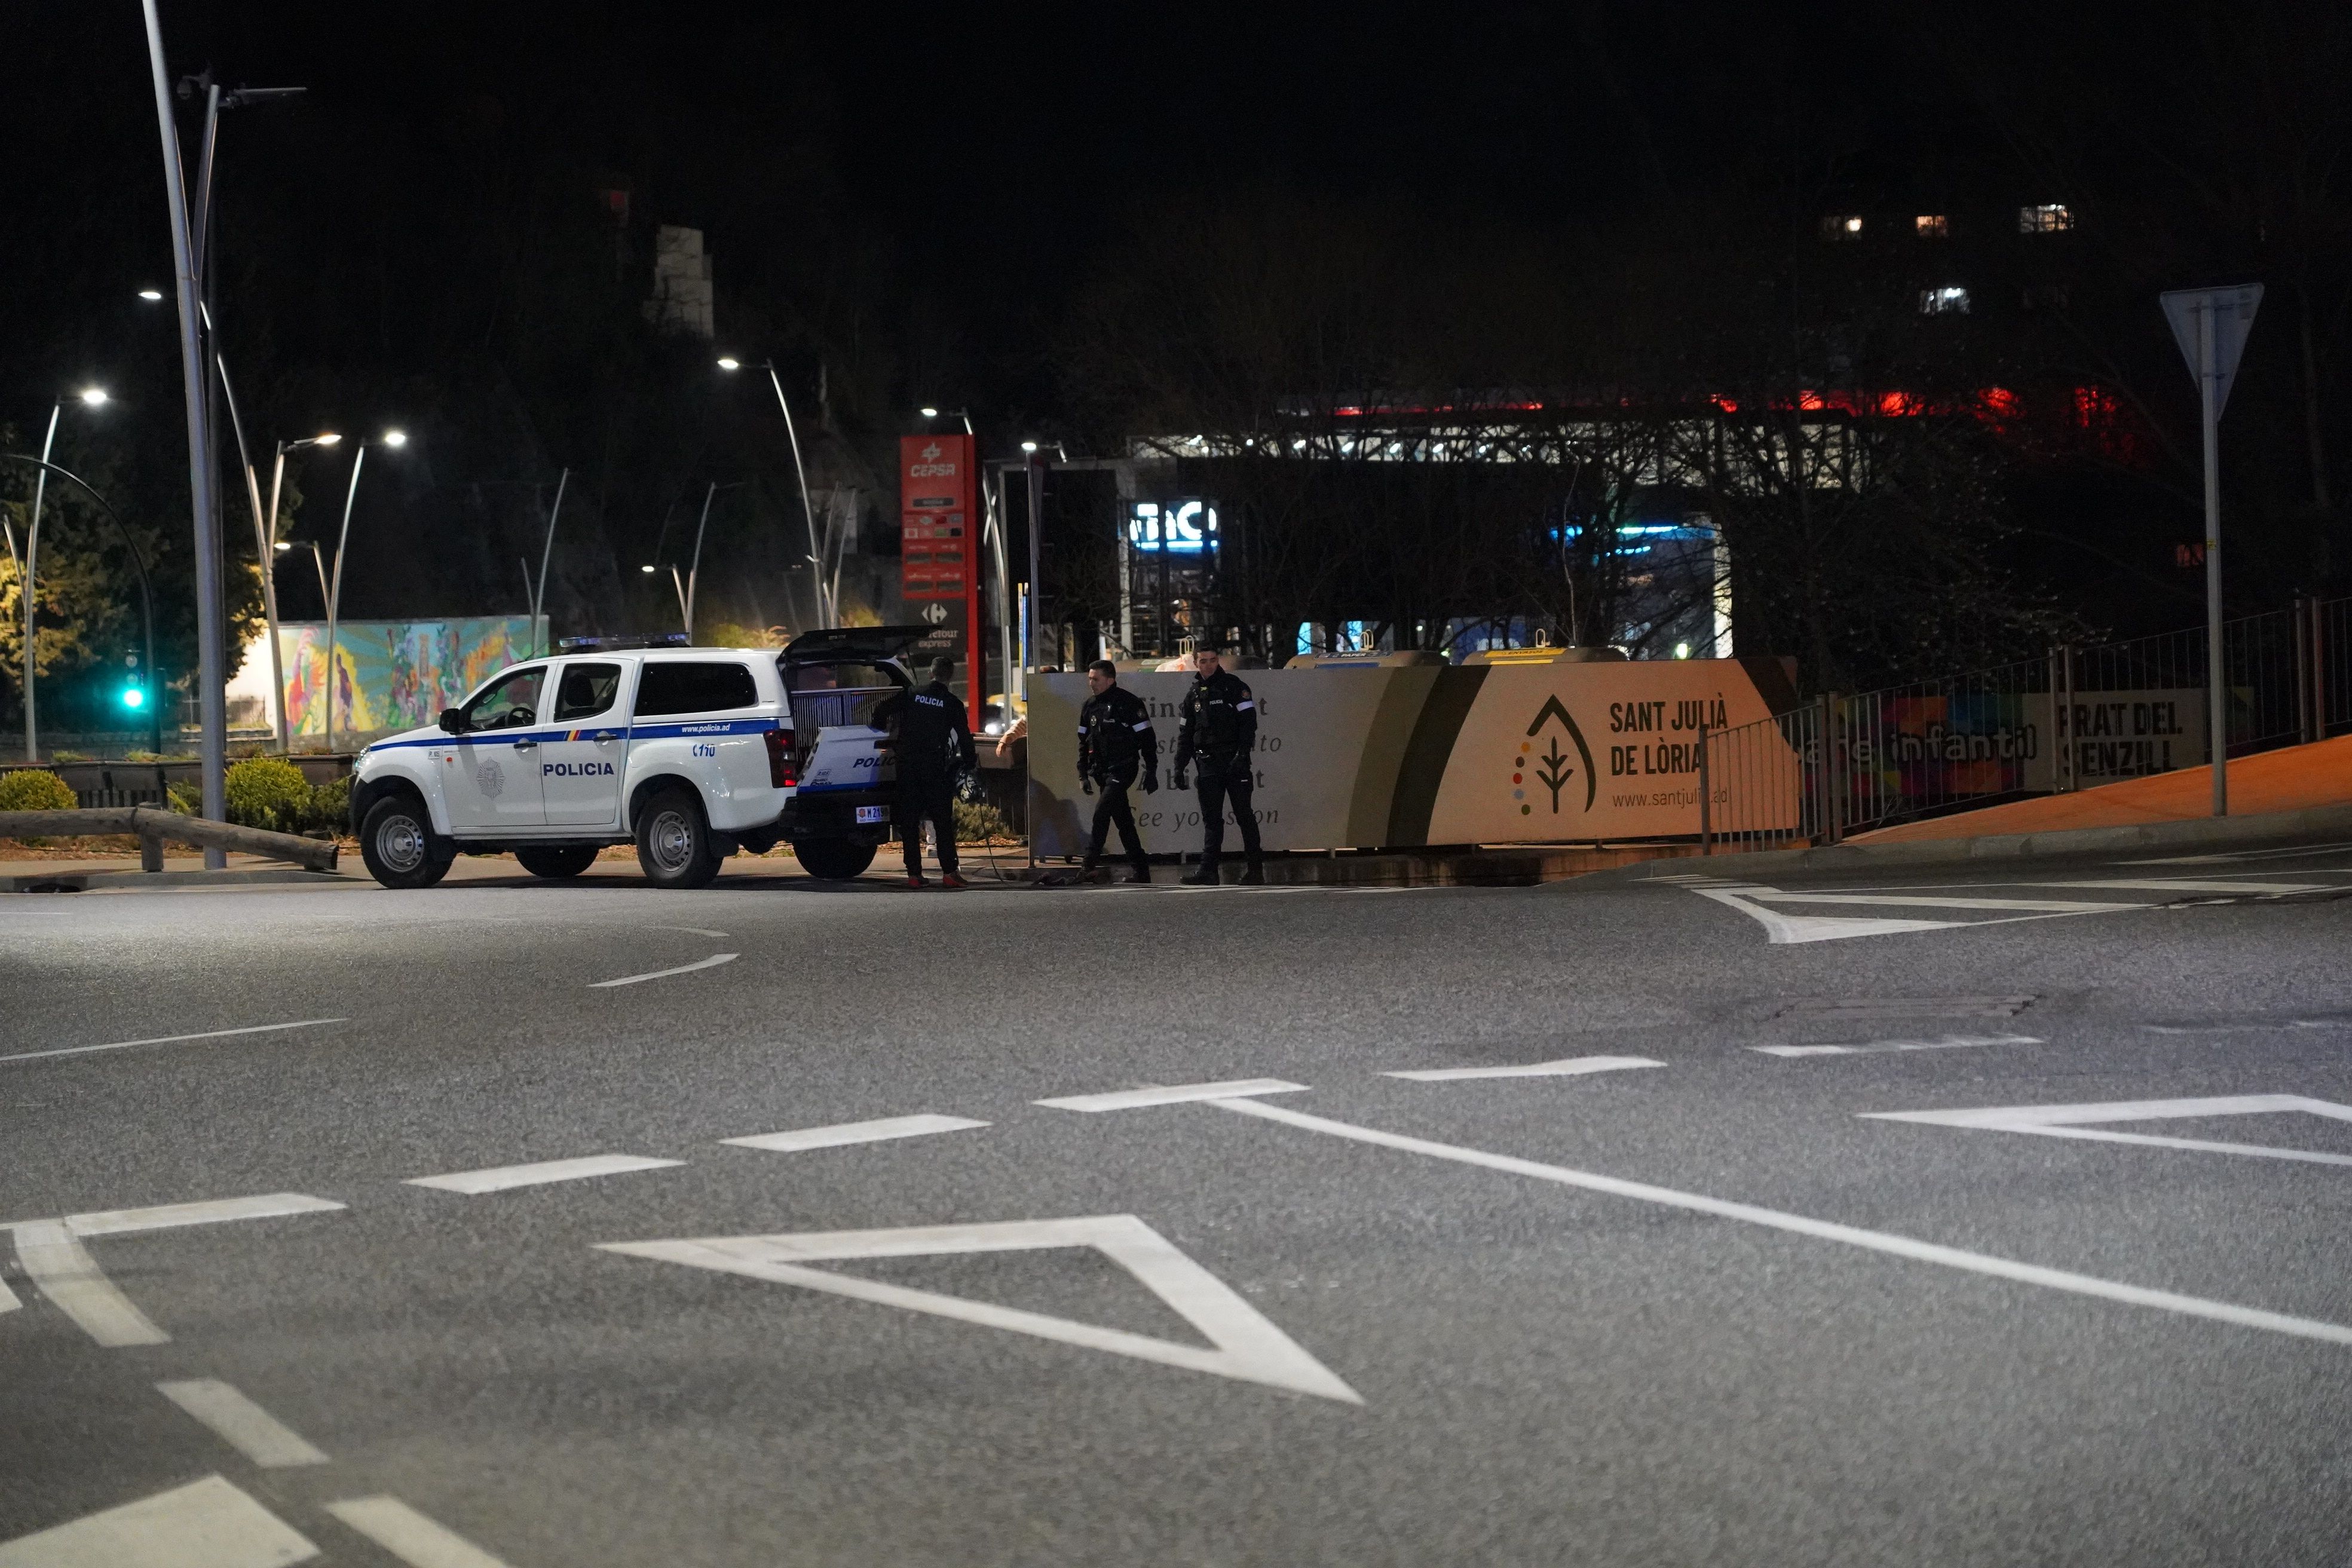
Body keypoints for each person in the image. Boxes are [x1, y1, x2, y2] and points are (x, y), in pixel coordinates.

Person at [876, 655, 975, 889]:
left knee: (909, 822)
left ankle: (914, 874)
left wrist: (880, 734)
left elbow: (883, 709)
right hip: (934, 767)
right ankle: (950, 872)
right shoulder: (952, 703)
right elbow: (964, 737)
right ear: (950, 676)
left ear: (931, 673)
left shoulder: (912, 694)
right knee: (942, 821)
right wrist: (970, 763)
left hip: (907, 765)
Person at [1172, 646, 1263, 884]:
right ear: (1196, 663)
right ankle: (1208, 872)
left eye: (1213, 660)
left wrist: (1242, 755)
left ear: (1218, 661)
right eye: (1204, 661)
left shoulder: (1234, 686)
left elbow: (1249, 724)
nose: (1209, 665)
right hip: (1208, 764)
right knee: (1212, 820)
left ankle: (1255, 871)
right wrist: (1179, 767)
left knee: (1245, 816)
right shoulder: (1193, 695)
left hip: (1234, 761)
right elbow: (1186, 734)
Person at [1075, 658, 1159, 883]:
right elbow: (1084, 742)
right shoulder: (1090, 706)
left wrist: (1151, 770)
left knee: (1102, 812)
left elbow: (1147, 740)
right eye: (1090, 679)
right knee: (1124, 822)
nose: (1091, 683)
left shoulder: (1128, 704)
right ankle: (1141, 871)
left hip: (1123, 768)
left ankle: (1088, 865)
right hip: (1101, 770)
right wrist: (1083, 774)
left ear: (1110, 680)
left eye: (1096, 679)